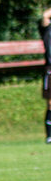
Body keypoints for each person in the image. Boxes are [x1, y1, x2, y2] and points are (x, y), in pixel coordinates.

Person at [40, 7, 51, 143]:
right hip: (50, 69)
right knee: (50, 103)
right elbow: (45, 15)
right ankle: (49, 135)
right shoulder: (47, 29)